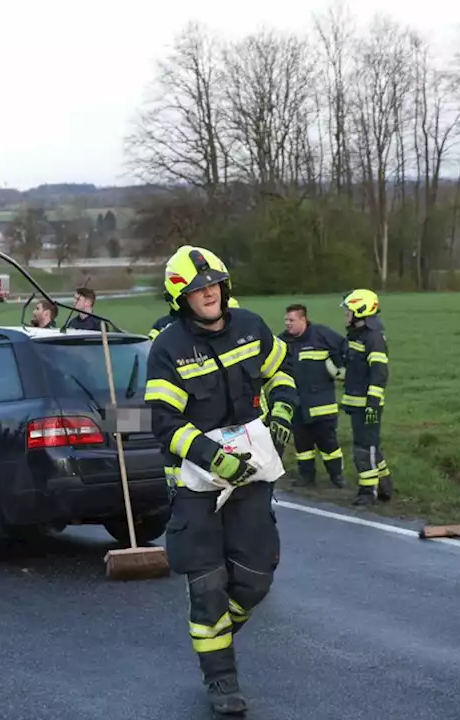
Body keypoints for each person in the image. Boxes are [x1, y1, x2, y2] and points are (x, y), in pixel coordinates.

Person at [144, 245, 297, 716]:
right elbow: (164, 423)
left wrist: (285, 409)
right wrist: (213, 458)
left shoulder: (251, 326)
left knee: (255, 580)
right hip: (197, 484)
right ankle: (221, 678)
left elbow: (282, 371)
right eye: (196, 288)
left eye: (213, 284)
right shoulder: (166, 347)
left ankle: (217, 635)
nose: (207, 293)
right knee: (208, 586)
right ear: (181, 298)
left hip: (252, 477)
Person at [279, 303, 348, 489]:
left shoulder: (322, 335)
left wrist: (341, 369)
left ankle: (337, 476)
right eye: (286, 320)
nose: (287, 324)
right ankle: (306, 477)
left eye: (291, 320)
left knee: (329, 444)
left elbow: (345, 348)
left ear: (303, 319)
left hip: (322, 404)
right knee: (303, 445)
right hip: (298, 404)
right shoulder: (282, 341)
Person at [339, 289, 392, 506]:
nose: (346, 315)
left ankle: (367, 491)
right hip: (357, 404)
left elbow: (379, 373)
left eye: (348, 311)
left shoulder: (373, 338)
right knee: (369, 445)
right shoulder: (359, 336)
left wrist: (372, 403)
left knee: (365, 447)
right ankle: (385, 483)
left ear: (360, 311)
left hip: (368, 407)